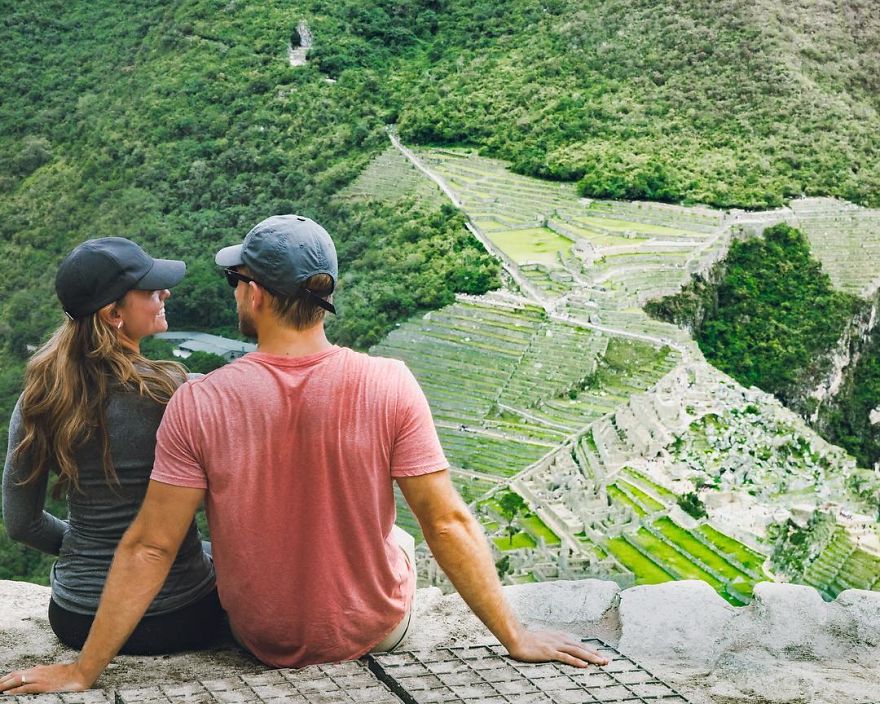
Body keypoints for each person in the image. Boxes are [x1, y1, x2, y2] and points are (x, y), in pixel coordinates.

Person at [0, 216, 607, 695]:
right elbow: (446, 520)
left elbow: (150, 543)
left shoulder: (198, 401)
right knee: (400, 541)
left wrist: (85, 670)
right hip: (373, 630)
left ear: (256, 295)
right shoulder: (390, 381)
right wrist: (515, 635)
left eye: (237, 282)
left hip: (251, 632)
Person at [1, 237, 222, 661]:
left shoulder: (40, 396)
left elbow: (20, 524)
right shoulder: (176, 391)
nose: (166, 293)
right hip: (179, 615)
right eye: (151, 289)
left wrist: (92, 546)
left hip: (75, 617)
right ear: (113, 314)